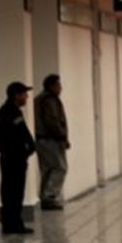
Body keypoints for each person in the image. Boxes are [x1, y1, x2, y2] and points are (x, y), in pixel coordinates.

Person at [0, 81, 37, 234]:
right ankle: (13, 224)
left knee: (10, 190)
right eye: (24, 94)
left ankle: (11, 222)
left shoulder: (7, 111)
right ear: (16, 95)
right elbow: (19, 134)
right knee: (14, 191)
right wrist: (28, 148)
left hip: (10, 156)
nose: (26, 97)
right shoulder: (10, 112)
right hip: (14, 158)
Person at [34, 74, 69, 210]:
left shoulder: (41, 99)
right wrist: (62, 137)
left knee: (48, 169)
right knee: (60, 167)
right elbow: (53, 121)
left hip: (43, 139)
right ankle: (49, 197)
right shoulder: (49, 100)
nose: (61, 88)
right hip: (50, 139)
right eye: (58, 85)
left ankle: (45, 196)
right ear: (51, 86)